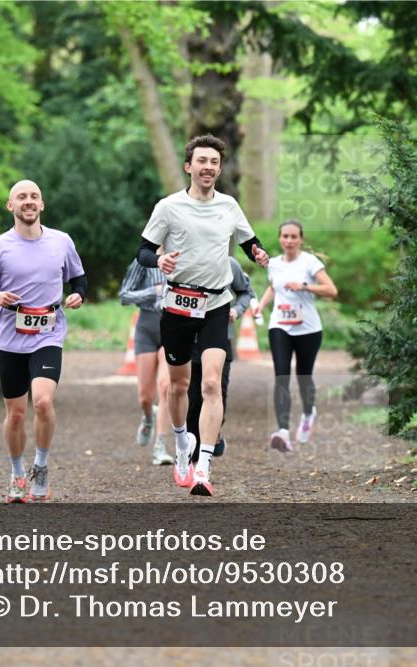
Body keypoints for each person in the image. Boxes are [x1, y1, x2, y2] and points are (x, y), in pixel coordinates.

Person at [136, 134, 269, 496]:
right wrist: (159, 260)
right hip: (178, 304)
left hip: (215, 304)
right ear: (188, 166)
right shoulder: (169, 207)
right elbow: (144, 251)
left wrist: (257, 252)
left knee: (211, 383)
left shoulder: (229, 205)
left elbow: (248, 240)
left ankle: (203, 467)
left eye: (214, 162)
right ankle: (181, 444)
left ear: (219, 168)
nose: (208, 167)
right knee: (177, 386)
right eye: (202, 161)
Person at [0, 179, 86, 502]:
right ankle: (17, 473)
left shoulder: (61, 241)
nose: (29, 201)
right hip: (10, 338)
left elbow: (78, 277)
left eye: (34, 196)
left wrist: (78, 294)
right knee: (16, 414)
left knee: (44, 402)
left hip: (49, 332)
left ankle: (41, 467)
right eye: (22, 197)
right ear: (11, 206)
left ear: (42, 204)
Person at [250, 219, 337, 452]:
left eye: (293, 236)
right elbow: (273, 286)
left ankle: (309, 414)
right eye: (285, 236)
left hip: (308, 328)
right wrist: (261, 305)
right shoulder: (274, 264)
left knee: (304, 377)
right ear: (280, 239)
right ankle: (283, 432)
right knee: (281, 376)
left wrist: (305, 286)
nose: (288, 240)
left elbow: (331, 290)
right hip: (280, 325)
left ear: (301, 239)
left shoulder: (310, 262)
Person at [186, 257, 256, 460]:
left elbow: (246, 292)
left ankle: (214, 434)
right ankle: (193, 452)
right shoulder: (187, 262)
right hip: (190, 339)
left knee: (217, 392)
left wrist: (236, 310)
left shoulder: (229, 264)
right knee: (192, 398)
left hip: (219, 340)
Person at [119, 259, 174, 465]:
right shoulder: (143, 261)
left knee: (166, 386)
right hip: (147, 327)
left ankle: (160, 446)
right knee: (145, 397)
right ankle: (148, 417)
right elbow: (124, 296)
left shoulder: (186, 257)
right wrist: (154, 291)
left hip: (172, 327)